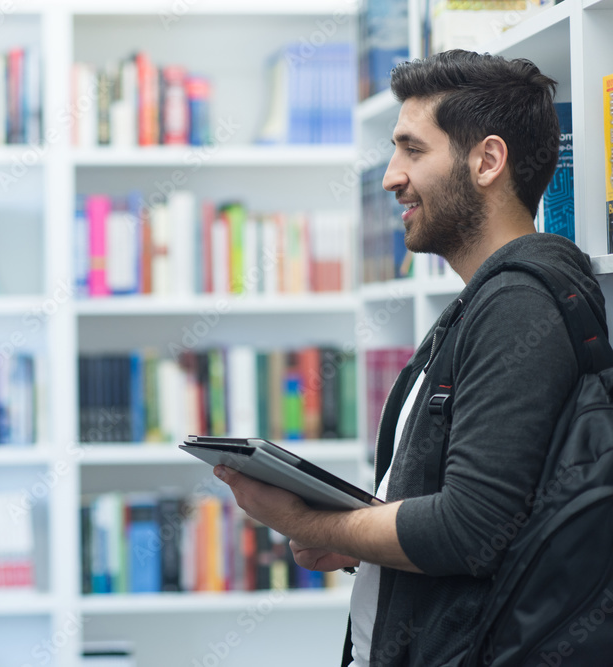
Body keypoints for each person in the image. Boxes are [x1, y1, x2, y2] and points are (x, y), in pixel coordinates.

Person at [216, 50, 607, 666]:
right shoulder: (484, 298)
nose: (390, 176)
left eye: (413, 150)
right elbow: (481, 512)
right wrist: (358, 540)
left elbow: (470, 529)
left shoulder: (517, 306)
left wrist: (308, 522)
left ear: (488, 161)